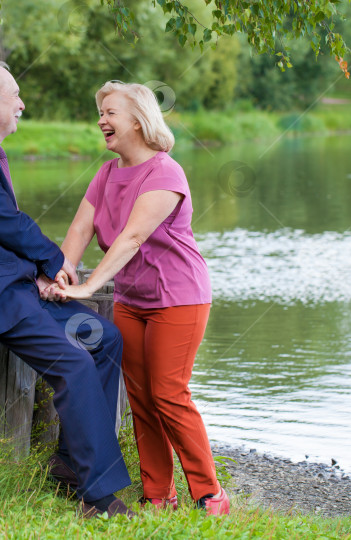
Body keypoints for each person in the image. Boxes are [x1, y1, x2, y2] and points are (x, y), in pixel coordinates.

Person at [0, 61, 132, 518]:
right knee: (73, 362)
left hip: (10, 287)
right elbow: (8, 224)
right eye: (15, 95)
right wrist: (55, 262)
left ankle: (71, 466)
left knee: (105, 339)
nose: (22, 104)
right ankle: (97, 497)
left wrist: (36, 275)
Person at [55, 81, 230, 515]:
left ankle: (210, 494)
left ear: (137, 119)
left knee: (169, 392)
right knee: (141, 398)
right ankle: (158, 494)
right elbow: (80, 229)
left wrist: (89, 285)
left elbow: (133, 236)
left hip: (179, 297)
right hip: (132, 300)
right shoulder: (106, 174)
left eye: (110, 112)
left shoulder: (165, 172)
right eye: (100, 113)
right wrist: (63, 270)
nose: (101, 120)